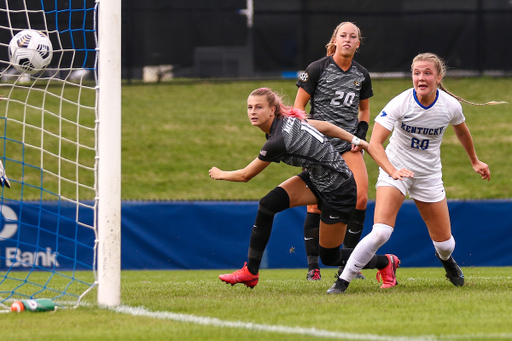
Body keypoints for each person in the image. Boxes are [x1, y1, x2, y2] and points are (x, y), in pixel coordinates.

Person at [327, 52, 503, 294]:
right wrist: (392, 170)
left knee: (445, 244)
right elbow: (375, 144)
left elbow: (462, 131)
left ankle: (447, 261)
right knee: (380, 233)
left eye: (427, 73)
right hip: (395, 170)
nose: (421, 77)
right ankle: (342, 281)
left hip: (428, 175)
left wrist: (475, 161)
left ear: (438, 77)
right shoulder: (400, 102)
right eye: (416, 73)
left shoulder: (450, 105)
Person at [209, 87, 399, 290]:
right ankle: (250, 272)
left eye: (259, 107)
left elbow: (245, 175)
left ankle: (386, 262)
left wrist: (220, 174)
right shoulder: (286, 122)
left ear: (273, 110)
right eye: (249, 107)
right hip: (316, 180)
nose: (253, 112)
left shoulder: (278, 140)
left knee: (330, 256)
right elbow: (325, 127)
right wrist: (357, 140)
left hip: (339, 190)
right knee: (267, 204)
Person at [295, 21, 372, 281]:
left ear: (358, 44)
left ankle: (349, 265)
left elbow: (364, 110)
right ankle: (313, 267)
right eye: (343, 35)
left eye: (353, 36)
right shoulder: (316, 68)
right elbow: (298, 110)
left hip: (348, 146)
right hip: (320, 147)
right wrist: (308, 141)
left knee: (360, 199)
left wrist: (360, 134)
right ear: (335, 40)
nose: (348, 39)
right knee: (316, 206)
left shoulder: (361, 74)